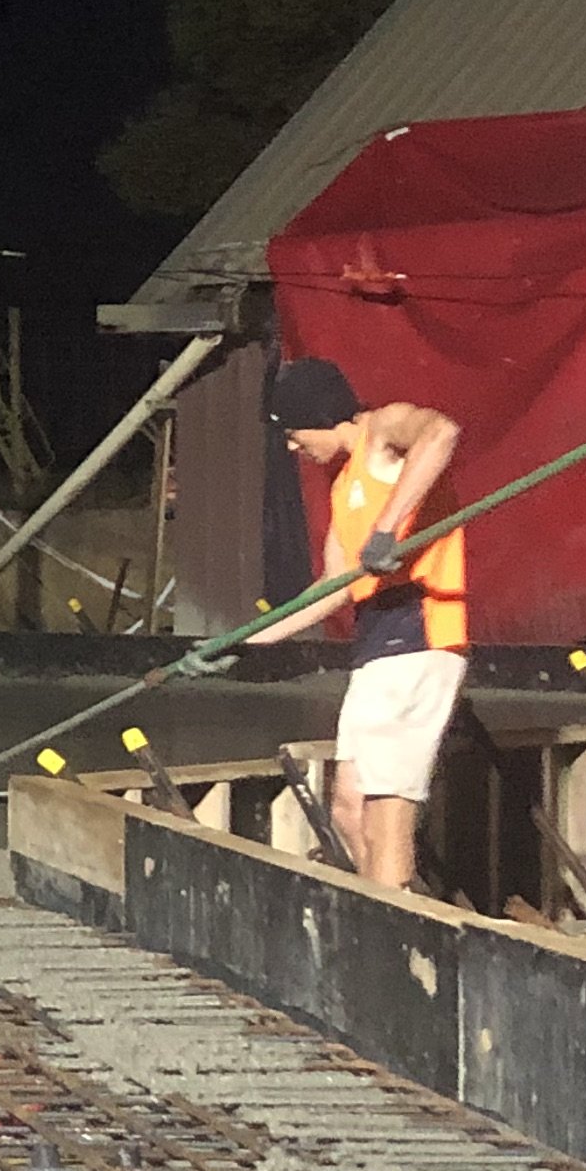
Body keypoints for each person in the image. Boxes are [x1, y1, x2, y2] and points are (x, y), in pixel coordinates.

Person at [243, 355, 464, 888]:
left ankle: (391, 938)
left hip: (419, 634)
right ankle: (396, 909)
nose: (295, 448)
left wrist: (388, 530)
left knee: (386, 812)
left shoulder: (382, 433)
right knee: (348, 807)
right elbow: (333, 587)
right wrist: (250, 642)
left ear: (320, 416)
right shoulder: (343, 489)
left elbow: (442, 432)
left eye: (295, 434)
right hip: (375, 644)